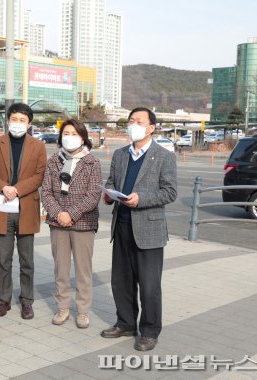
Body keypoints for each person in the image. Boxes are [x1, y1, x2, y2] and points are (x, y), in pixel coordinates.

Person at [100, 107, 177, 351]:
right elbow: (112, 181)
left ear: (151, 127)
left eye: (139, 121)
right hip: (121, 226)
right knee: (120, 281)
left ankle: (150, 331)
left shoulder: (164, 156)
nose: (133, 124)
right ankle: (125, 323)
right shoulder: (121, 154)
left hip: (149, 230)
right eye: (131, 120)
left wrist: (140, 199)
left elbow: (170, 191)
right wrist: (109, 195)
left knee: (149, 285)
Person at [0, 103, 47, 320]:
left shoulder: (38, 146)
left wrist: (17, 189)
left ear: (29, 123)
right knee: (4, 258)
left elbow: (39, 176)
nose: (17, 123)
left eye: (22, 120)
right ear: (7, 120)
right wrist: (4, 187)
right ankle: (4, 300)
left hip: (26, 206)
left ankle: (27, 301)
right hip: (2, 207)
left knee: (27, 260)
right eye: (14, 119)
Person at [41, 119, 102, 328]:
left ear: (83, 138)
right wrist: (59, 214)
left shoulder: (92, 162)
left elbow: (93, 195)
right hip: (58, 223)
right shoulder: (53, 161)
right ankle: (63, 307)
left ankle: (83, 311)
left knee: (83, 270)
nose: (69, 137)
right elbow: (46, 192)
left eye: (74, 133)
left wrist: (72, 214)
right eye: (65, 133)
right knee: (61, 269)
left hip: (83, 223)